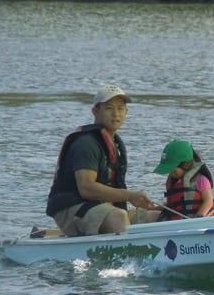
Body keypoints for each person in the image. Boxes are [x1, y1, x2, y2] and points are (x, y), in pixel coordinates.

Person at [45, 84, 156, 236]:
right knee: (119, 217)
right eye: (109, 108)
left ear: (126, 112)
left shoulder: (113, 143)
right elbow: (86, 188)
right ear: (95, 111)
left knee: (156, 216)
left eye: (120, 108)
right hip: (71, 208)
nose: (116, 114)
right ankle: (128, 257)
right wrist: (130, 196)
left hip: (100, 206)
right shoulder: (86, 143)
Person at [153, 140, 214, 220]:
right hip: (177, 222)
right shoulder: (176, 182)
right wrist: (152, 207)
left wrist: (199, 217)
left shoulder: (201, 180)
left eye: (173, 170)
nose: (171, 173)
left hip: (196, 221)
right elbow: (173, 205)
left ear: (186, 164)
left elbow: (208, 202)